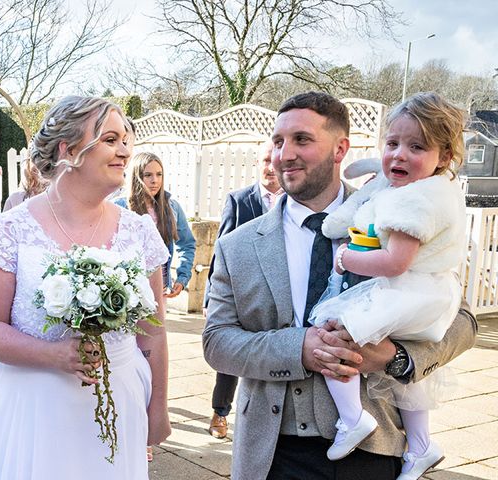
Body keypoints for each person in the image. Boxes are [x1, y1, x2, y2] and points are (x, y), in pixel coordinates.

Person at [202, 91, 477, 480]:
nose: (285, 154)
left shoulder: (394, 215)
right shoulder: (238, 246)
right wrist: (300, 348)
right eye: (278, 141)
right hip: (273, 453)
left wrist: (396, 357)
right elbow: (217, 342)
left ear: (340, 148)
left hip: (376, 448)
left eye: (302, 139)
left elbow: (462, 320)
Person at [0, 96, 171, 479]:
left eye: (125, 140)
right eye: (110, 139)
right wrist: (55, 355)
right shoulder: (11, 229)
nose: (125, 151)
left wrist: (157, 407)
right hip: (33, 406)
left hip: (120, 402)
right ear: (69, 149)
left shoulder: (139, 231)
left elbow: (153, 333)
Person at [309, 93, 466, 480]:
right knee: (410, 377)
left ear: (444, 157)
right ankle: (421, 445)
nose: (398, 155)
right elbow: (375, 186)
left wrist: (346, 258)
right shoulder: (434, 190)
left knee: (336, 333)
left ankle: (352, 418)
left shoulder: (412, 202)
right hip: (432, 294)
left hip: (408, 291)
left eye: (416, 147)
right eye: (392, 143)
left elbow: (395, 263)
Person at [203, 140, 284, 439]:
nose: (269, 168)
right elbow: (220, 252)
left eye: (273, 162)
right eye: (264, 161)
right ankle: (220, 413)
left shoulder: (293, 203)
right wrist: (211, 296)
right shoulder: (239, 200)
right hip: (241, 294)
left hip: (279, 297)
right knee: (229, 358)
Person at [116, 152, 196, 298]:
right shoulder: (119, 207)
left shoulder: (172, 207)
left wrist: (182, 277)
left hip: (161, 289)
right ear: (137, 177)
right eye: (148, 175)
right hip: (128, 291)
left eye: (159, 174)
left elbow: (187, 244)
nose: (155, 180)